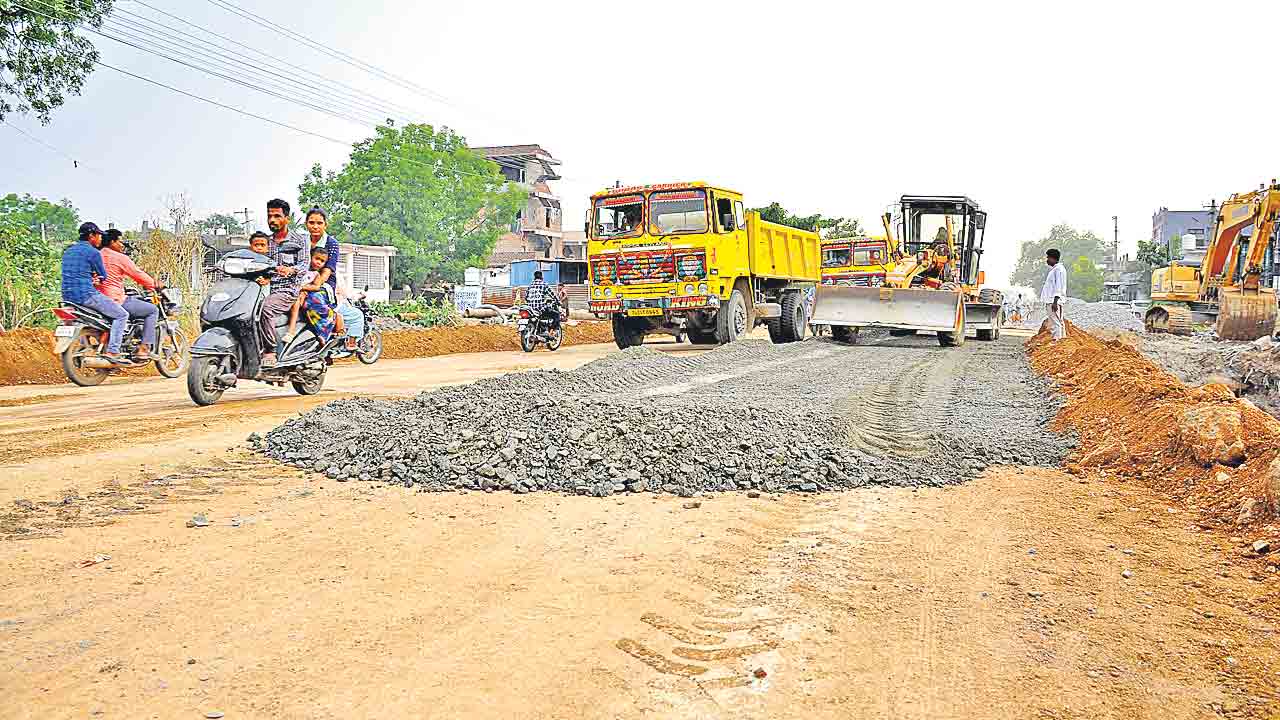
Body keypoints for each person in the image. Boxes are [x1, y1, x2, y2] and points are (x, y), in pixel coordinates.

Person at [61, 222, 129, 363]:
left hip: (67, 297)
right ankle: (113, 351)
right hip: (86, 295)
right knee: (122, 315)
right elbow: (103, 276)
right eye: (98, 236)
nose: (100, 239)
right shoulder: (93, 252)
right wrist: (97, 279)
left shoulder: (68, 251)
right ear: (91, 236)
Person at [303, 207, 363, 350]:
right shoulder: (302, 241)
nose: (315, 226)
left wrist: (313, 285)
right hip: (303, 279)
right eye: (312, 222)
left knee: (313, 299)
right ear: (306, 224)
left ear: (325, 224)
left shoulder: (331, 243)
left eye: (319, 223)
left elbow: (328, 269)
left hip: (324, 282)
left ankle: (331, 324)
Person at [95, 229, 160, 360]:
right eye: (119, 241)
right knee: (152, 310)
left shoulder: (96, 255)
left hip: (96, 299)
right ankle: (144, 349)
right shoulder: (119, 257)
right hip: (114, 298)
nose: (122, 245)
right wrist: (155, 284)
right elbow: (137, 274)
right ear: (112, 242)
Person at [259, 199, 310, 366]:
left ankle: (270, 351)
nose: (272, 220)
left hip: (287, 289)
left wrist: (291, 270)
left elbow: (304, 265)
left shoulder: (299, 240)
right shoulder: (265, 241)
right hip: (263, 288)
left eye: (277, 216)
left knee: (265, 309)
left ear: (287, 218)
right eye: (269, 216)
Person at [284, 246, 344, 344]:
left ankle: (325, 331)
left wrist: (301, 288)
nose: (319, 262)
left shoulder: (315, 274)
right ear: (310, 257)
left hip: (310, 292)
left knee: (313, 302)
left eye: (322, 261)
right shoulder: (301, 269)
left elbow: (316, 287)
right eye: (317, 259)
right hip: (297, 292)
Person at [1041, 248, 1067, 341]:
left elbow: (1058, 286)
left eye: (1048, 258)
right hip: (1053, 300)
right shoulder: (1056, 269)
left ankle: (1056, 341)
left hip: (1053, 300)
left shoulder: (1058, 270)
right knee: (1059, 321)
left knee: (1055, 322)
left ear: (1053, 258)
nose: (1047, 260)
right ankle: (1062, 341)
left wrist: (1055, 302)